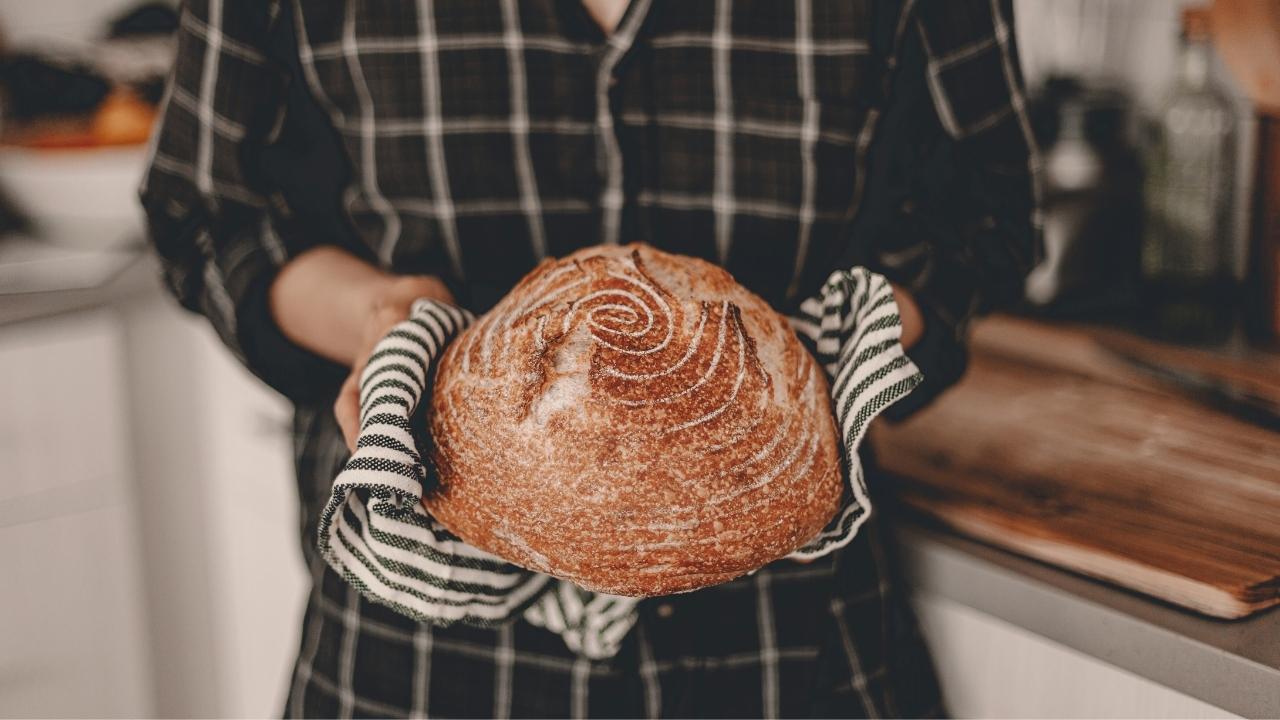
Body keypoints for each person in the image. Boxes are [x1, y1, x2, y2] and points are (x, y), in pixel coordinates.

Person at [141, 0, 1039, 716]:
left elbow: (984, 219)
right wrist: (383, 320)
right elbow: (209, 214)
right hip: (417, 667)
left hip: (792, 654)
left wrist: (811, 377)